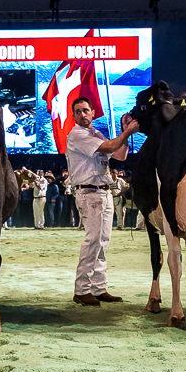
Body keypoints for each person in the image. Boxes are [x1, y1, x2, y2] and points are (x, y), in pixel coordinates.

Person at [64, 97, 135, 305]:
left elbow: (120, 155)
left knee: (102, 242)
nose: (82, 115)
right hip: (89, 193)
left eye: (85, 110)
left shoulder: (95, 134)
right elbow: (111, 146)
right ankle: (82, 290)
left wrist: (124, 130)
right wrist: (127, 132)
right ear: (73, 115)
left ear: (93, 112)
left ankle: (98, 288)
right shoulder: (77, 134)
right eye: (78, 111)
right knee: (93, 240)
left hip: (103, 191)